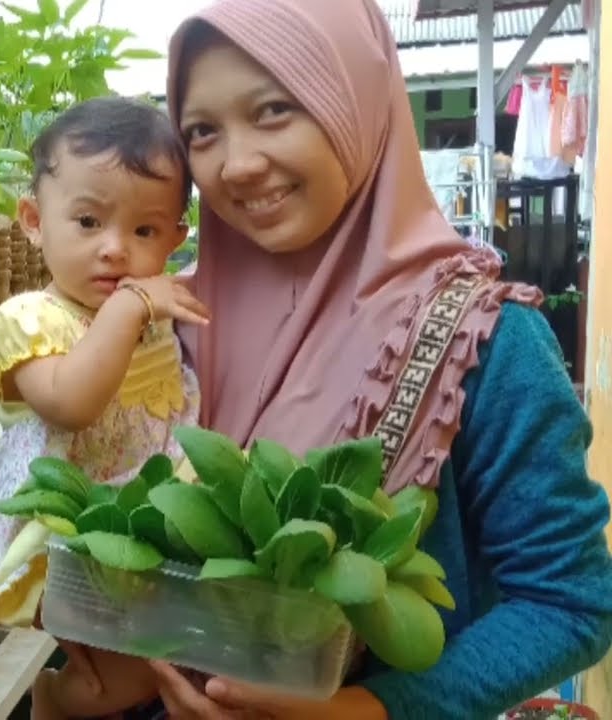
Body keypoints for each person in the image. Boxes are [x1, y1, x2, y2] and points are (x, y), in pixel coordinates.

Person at [121, 0, 612, 717]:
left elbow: (569, 603)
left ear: (355, 102)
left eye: (275, 110)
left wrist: (366, 711)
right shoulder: (162, 329)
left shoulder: (486, 339)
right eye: (203, 131)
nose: (239, 163)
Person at [0, 96, 210, 719]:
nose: (116, 250)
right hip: (66, 536)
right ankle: (53, 704)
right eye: (89, 222)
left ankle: (70, 697)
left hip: (146, 527)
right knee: (135, 676)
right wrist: (129, 309)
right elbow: (73, 403)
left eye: (145, 231)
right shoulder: (29, 320)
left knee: (146, 667)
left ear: (176, 238)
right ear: (33, 220)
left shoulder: (155, 308)